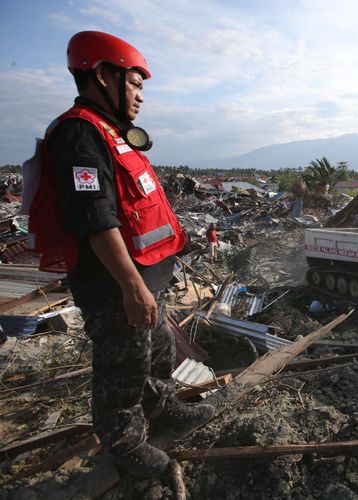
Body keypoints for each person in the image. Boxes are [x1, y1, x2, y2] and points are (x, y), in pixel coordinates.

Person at [28, 31, 214, 478]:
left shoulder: (110, 133)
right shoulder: (79, 135)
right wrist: (131, 287)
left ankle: (163, 410)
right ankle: (126, 446)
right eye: (134, 84)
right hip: (114, 286)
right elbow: (96, 218)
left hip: (142, 280)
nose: (139, 96)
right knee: (122, 369)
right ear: (102, 75)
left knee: (161, 348)